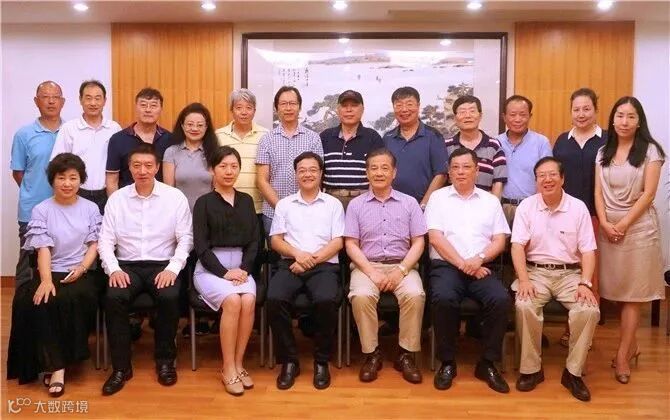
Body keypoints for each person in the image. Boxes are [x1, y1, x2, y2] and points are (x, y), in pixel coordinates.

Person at [98, 144, 193, 396]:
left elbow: (186, 238)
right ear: (129, 168)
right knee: (114, 297)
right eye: (137, 165)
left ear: (157, 167)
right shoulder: (117, 199)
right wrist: (113, 269)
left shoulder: (174, 197)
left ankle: (165, 361)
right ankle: (121, 368)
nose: (143, 171)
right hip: (126, 266)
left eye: (148, 165)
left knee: (170, 296)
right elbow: (105, 240)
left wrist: (173, 269)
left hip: (162, 264)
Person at [7, 153, 101, 398]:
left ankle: (57, 366)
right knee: (35, 299)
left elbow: (94, 244)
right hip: (50, 269)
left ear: (81, 180)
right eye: (61, 178)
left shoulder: (91, 208)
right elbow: (43, 248)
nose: (67, 183)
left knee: (68, 298)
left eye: (73, 178)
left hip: (81, 272)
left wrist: (81, 268)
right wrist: (46, 280)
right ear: (52, 180)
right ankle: (55, 366)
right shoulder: (42, 209)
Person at [511, 157, 600, 401]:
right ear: (536, 181)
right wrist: (524, 279)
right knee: (524, 305)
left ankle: (573, 373)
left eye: (552, 175)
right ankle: (531, 370)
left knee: (588, 310)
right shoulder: (527, 207)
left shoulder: (578, 208)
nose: (547, 180)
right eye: (541, 176)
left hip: (570, 274)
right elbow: (517, 247)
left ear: (562, 178)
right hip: (535, 272)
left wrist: (585, 283)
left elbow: (588, 251)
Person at [425, 147, 511, 393]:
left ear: (477, 170)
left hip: (481, 265)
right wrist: (464, 264)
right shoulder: (438, 198)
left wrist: (478, 259)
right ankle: (447, 362)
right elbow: (436, 238)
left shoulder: (490, 201)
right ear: (449, 172)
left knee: (500, 299)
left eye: (466, 167)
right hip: (447, 266)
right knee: (443, 297)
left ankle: (487, 362)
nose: (461, 172)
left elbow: (499, 241)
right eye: (455, 167)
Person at [594, 96, 666, 384]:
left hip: (638, 229)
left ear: (639, 122)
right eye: (620, 115)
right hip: (609, 228)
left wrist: (623, 224)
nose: (624, 121)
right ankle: (632, 346)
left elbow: (648, 194)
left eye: (631, 116)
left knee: (632, 297)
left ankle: (623, 356)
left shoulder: (650, 151)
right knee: (614, 291)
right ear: (612, 119)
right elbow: (597, 192)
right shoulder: (603, 151)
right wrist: (604, 223)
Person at [344, 148, 426, 384]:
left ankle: (405, 354)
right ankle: (372, 354)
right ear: (367, 173)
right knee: (360, 296)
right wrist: (372, 272)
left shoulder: (409, 203)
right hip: (366, 266)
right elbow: (351, 244)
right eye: (374, 168)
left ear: (394, 172)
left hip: (403, 265)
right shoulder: (356, 205)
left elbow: (419, 242)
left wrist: (401, 270)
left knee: (415, 295)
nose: (379, 173)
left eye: (384, 168)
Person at [266, 152, 344, 390]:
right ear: (295, 174)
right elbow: (276, 240)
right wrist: (297, 255)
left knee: (326, 299)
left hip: (324, 266)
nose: (307, 174)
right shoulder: (284, 204)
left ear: (321, 173)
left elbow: (338, 241)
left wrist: (310, 260)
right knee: (274, 298)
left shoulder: (333, 204)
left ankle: (321, 361)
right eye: (302, 170)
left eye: (312, 170)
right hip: (291, 263)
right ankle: (290, 361)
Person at [192, 146, 259, 396]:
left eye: (234, 166)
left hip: (241, 266)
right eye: (223, 166)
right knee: (232, 301)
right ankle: (227, 367)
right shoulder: (203, 203)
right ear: (212, 170)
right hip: (210, 268)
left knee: (248, 300)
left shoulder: (246, 201)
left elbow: (254, 240)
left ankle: (239, 363)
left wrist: (244, 269)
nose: (229, 171)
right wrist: (224, 273)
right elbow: (201, 246)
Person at [553, 87, 605, 348]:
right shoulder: (563, 140)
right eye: (576, 109)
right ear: (570, 111)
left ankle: (584, 332)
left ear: (596, 110)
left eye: (586, 109)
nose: (581, 114)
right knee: (569, 270)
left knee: (590, 273)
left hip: (597, 215)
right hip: (565, 215)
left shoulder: (608, 140)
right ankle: (568, 328)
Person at [163, 102, 219, 336]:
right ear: (182, 125)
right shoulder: (172, 152)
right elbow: (168, 189)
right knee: (183, 266)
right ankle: (186, 318)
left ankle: (207, 317)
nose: (195, 128)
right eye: (190, 124)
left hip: (208, 219)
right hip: (180, 219)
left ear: (207, 127)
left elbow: (218, 187)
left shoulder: (214, 151)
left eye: (200, 124)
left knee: (205, 265)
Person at [10, 81, 65, 289]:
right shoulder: (24, 134)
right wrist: (34, 191)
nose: (51, 101)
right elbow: (18, 172)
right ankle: (22, 305)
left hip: (64, 209)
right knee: (28, 263)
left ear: (62, 102)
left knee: (61, 261)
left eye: (55, 97)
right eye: (45, 97)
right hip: (32, 210)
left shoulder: (71, 131)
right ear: (36, 101)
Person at [256, 86, 323, 234]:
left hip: (307, 213)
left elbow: (318, 176)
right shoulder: (266, 140)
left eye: (292, 103)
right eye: (283, 104)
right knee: (276, 250)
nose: (288, 108)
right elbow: (261, 180)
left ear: (299, 107)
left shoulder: (313, 138)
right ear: (276, 108)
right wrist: (282, 208)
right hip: (274, 213)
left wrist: (303, 208)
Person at [50, 80, 122, 214]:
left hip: (106, 193)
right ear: (80, 100)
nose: (93, 103)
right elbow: (57, 164)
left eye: (97, 98)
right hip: (76, 193)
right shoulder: (69, 128)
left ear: (105, 101)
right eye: (88, 98)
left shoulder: (114, 128)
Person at [382, 86, 448, 208]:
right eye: (399, 105)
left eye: (409, 104)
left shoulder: (433, 136)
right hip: (391, 206)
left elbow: (441, 174)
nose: (404, 109)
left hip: (424, 206)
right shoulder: (388, 138)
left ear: (418, 106)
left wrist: (423, 205)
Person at [321, 89, 384, 210]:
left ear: (362, 109)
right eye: (344, 106)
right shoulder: (325, 137)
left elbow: (378, 173)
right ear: (338, 110)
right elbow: (318, 172)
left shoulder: (373, 137)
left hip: (363, 201)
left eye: (354, 105)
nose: (349, 110)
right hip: (330, 202)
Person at [106, 87, 173, 195]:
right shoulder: (118, 139)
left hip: (160, 200)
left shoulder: (170, 139)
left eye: (153, 105)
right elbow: (112, 180)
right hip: (128, 200)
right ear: (136, 107)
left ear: (161, 109)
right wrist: (115, 203)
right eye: (143, 105)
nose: (148, 110)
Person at [497, 95, 552, 225]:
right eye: (512, 115)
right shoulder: (496, 142)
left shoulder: (541, 142)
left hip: (531, 207)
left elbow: (546, 178)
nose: (517, 119)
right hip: (501, 208)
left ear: (530, 116)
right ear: (504, 117)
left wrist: (539, 208)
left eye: (522, 115)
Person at [216, 88, 268, 216]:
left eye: (249, 108)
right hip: (224, 205)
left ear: (254, 111)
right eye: (239, 107)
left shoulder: (266, 135)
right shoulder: (218, 135)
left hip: (257, 207)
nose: (244, 112)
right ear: (231, 110)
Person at [445, 95, 507, 198]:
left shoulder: (494, 145)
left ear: (480, 115)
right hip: (453, 203)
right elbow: (442, 178)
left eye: (472, 111)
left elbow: (498, 182)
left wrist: (493, 205)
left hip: (484, 205)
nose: (467, 116)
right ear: (455, 118)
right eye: (462, 112)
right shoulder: (446, 146)